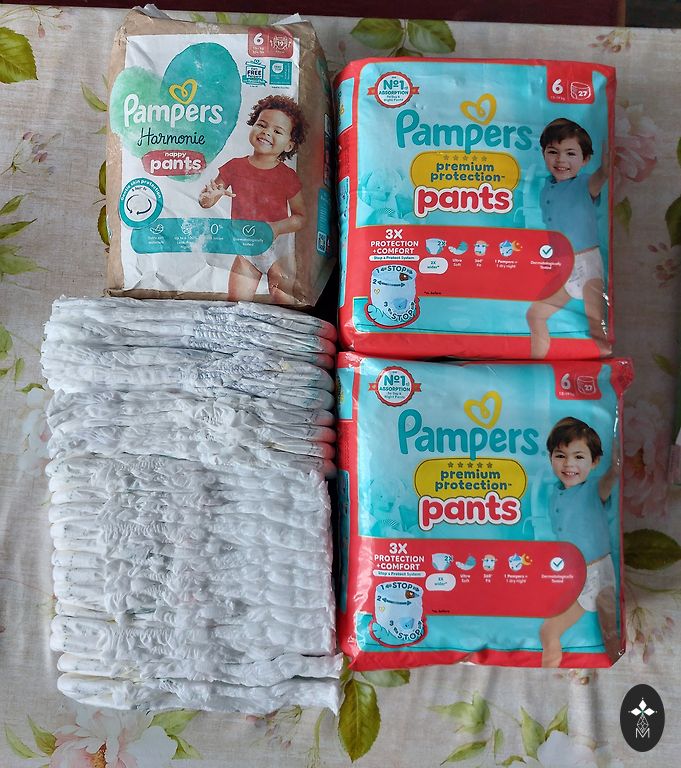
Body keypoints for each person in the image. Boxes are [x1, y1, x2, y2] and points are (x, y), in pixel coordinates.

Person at [199, 95, 307, 302]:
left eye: (277, 131)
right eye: (262, 125)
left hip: (278, 249)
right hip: (246, 249)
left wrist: (276, 228)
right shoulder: (234, 167)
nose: (266, 132)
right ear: (252, 125)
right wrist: (207, 197)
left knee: (284, 299)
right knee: (236, 303)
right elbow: (207, 201)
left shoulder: (287, 176)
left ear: (289, 145)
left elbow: (301, 217)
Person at [539, 416, 620, 667]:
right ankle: (555, 666)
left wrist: (617, 464)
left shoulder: (593, 489)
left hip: (596, 571)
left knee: (553, 631)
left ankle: (612, 657)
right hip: (579, 574)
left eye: (578, 456)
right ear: (551, 457)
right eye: (560, 455)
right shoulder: (555, 492)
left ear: (594, 462)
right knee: (551, 630)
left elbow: (610, 479)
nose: (568, 463)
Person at [526, 118, 610, 358]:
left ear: (585, 159)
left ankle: (604, 366)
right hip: (563, 268)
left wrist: (607, 163)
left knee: (596, 323)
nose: (561, 160)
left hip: (587, 265)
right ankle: (537, 364)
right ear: (543, 154)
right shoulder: (546, 187)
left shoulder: (585, 184)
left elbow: (603, 175)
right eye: (553, 152)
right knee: (535, 315)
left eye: (570, 153)